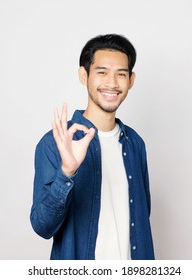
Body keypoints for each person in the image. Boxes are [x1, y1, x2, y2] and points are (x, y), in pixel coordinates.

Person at [30, 34, 155, 260]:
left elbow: (142, 217)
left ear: (131, 80)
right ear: (83, 75)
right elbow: (42, 226)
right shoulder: (55, 142)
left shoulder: (135, 143)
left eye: (121, 74)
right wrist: (66, 172)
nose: (112, 83)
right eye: (102, 72)